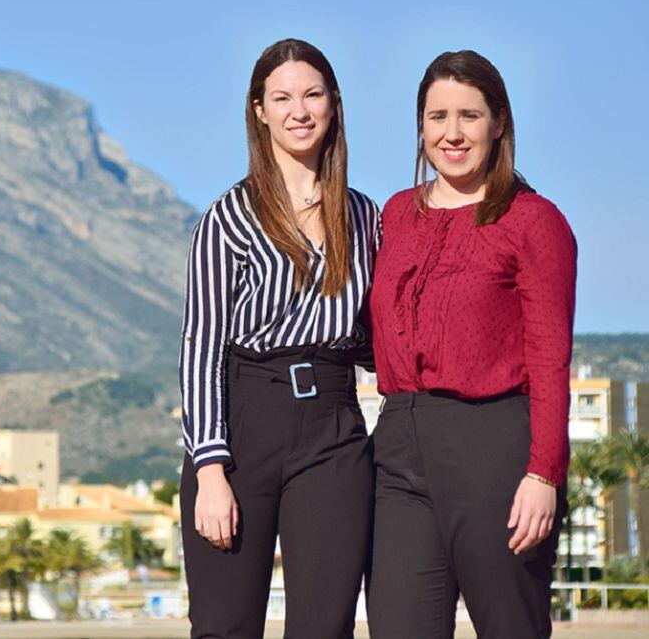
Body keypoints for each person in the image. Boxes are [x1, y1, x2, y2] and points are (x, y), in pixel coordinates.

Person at [366, 50, 576, 638]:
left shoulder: (533, 220)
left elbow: (550, 356)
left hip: (495, 449)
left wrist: (544, 475)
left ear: (499, 122)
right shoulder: (396, 215)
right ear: (420, 126)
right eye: (437, 117)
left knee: (511, 627)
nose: (452, 133)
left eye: (469, 115)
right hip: (399, 446)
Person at [178, 38, 380, 639]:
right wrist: (210, 470)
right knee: (224, 625)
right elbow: (201, 346)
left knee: (326, 626)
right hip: (243, 430)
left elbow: (379, 335)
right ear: (259, 110)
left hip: (334, 428)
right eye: (282, 97)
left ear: (334, 105)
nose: (300, 110)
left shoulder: (368, 218)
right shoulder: (228, 218)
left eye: (313, 94)